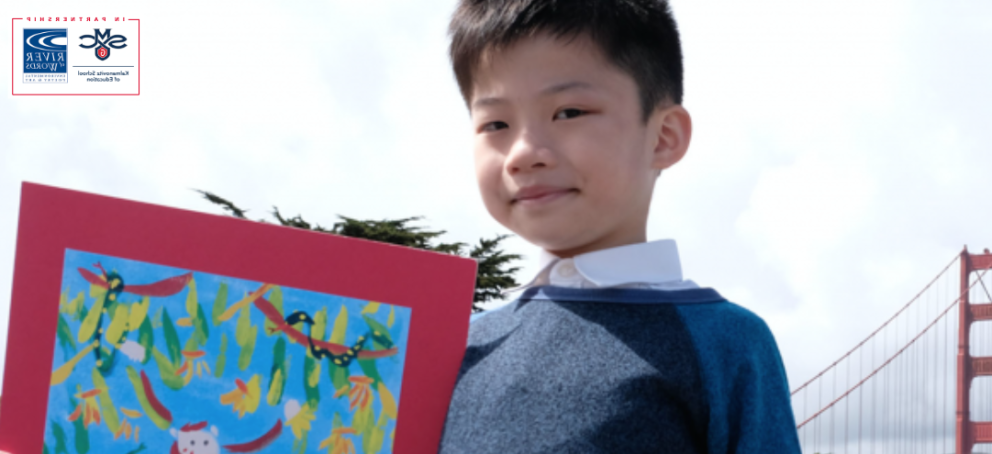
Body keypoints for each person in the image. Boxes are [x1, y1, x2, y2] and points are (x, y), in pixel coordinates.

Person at [437, 0, 801, 452]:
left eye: (568, 112)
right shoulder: (453, 347)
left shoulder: (725, 344)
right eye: (496, 123)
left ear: (663, 137)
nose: (523, 153)